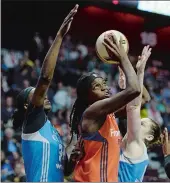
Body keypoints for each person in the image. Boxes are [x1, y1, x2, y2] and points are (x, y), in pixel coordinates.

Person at [12, 5, 79, 182]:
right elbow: (45, 78)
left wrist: (72, 158)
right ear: (28, 105)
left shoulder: (52, 131)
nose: (43, 96)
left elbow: (64, 171)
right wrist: (59, 37)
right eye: (37, 94)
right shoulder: (32, 121)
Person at [70, 34, 141, 182]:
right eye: (97, 87)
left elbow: (136, 102)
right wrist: (123, 58)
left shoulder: (108, 114)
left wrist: (139, 70)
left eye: (104, 84)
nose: (105, 88)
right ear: (87, 95)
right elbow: (134, 90)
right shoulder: (92, 112)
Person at [118, 45, 162, 182]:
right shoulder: (131, 144)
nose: (138, 122)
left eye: (142, 124)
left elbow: (134, 108)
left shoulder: (136, 144)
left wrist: (140, 71)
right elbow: (130, 108)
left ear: (149, 137)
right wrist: (126, 86)